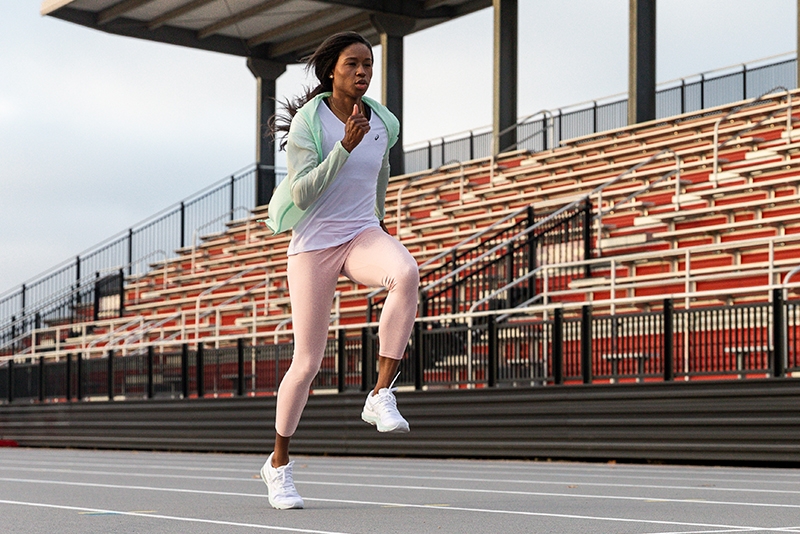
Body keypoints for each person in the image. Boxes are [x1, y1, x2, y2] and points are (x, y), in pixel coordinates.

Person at [259, 31, 420, 510]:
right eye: (352, 64)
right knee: (307, 362)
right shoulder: (312, 120)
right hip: (313, 242)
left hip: (361, 232)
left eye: (368, 64)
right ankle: (279, 466)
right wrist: (343, 148)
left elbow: (382, 173)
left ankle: (379, 394)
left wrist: (380, 221)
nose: (362, 72)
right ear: (332, 70)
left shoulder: (383, 120)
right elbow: (304, 192)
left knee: (406, 273)